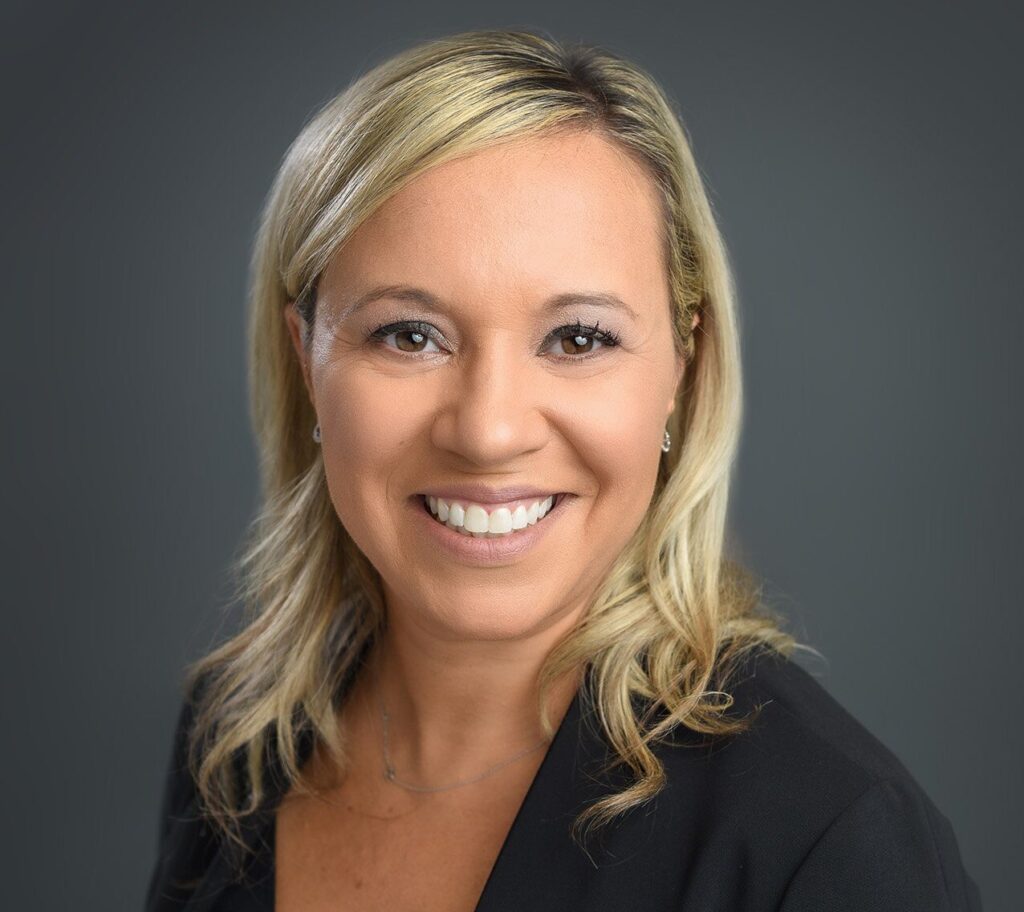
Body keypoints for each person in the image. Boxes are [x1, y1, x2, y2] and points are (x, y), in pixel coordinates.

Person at [144, 28, 983, 912]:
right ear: (306, 361)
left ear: (681, 373)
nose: (490, 430)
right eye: (408, 334)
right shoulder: (237, 741)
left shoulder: (833, 843)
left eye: (579, 338)